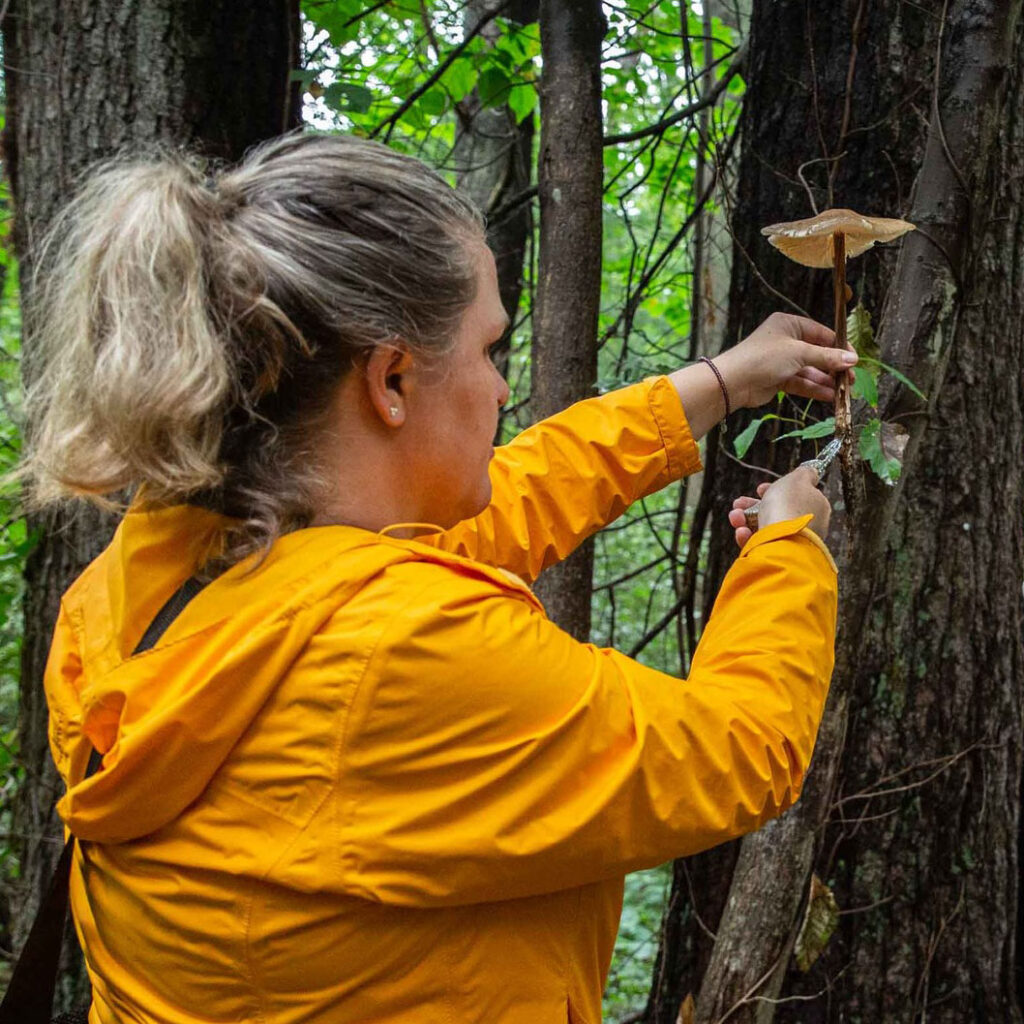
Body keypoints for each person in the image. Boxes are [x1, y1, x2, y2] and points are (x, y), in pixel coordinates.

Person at [24, 133, 852, 1024]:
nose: (501, 389)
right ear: (390, 379)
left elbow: (509, 499)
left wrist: (720, 382)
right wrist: (788, 550)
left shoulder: (152, 580)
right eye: (491, 349)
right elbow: (737, 751)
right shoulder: (402, 652)